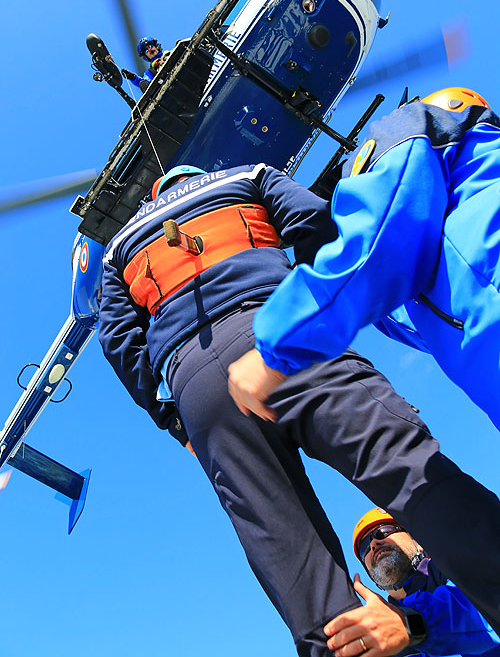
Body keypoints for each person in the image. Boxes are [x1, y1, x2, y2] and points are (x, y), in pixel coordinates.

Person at [98, 162, 500, 655]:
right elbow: (315, 222)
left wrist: (174, 421)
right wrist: (310, 314)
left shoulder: (119, 246)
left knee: (288, 555)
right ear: (196, 175)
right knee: (407, 471)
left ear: (157, 191)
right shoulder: (249, 174)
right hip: (278, 330)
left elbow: (118, 340)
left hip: (195, 380)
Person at [227, 87, 500, 432]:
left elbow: (385, 232)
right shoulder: (427, 287)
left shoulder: (416, 123)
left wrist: (279, 348)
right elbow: (408, 305)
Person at [323, 508, 500, 657]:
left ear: (418, 541)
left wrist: (412, 624)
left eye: (383, 531)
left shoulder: (456, 567)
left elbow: (488, 603)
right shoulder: (379, 636)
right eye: (365, 549)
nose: (375, 544)